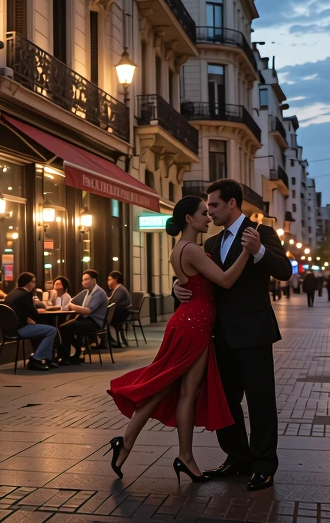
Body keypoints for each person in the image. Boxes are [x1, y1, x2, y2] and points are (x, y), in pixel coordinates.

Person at [106, 196, 260, 483]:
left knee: (166, 389)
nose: (208, 217)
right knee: (182, 392)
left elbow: (194, 282)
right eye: (203, 213)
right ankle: (183, 456)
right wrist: (247, 252)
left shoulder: (182, 248)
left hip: (190, 323)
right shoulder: (191, 249)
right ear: (189, 219)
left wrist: (179, 286)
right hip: (194, 327)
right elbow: (225, 280)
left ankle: (131, 446)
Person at [174, 179, 291, 491]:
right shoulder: (211, 244)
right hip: (220, 335)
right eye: (207, 207)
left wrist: (260, 250)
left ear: (232, 204)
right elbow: (204, 283)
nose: (209, 212)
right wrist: (179, 288)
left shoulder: (261, 232)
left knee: (260, 401)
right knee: (225, 401)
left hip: (254, 332)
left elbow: (284, 270)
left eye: (213, 205)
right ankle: (238, 457)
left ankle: (264, 465)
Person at [4, 272, 57, 370]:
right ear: (28, 283)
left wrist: (27, 319)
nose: (34, 284)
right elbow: (34, 313)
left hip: (9, 330)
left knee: (42, 329)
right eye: (34, 282)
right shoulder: (25, 295)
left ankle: (48, 359)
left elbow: (17, 312)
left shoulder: (10, 294)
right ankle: (37, 359)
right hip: (20, 329)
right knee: (52, 330)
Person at [57, 270, 107, 365]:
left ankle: (67, 356)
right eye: (82, 280)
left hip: (94, 323)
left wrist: (71, 306)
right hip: (87, 320)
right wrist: (68, 305)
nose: (83, 282)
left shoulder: (99, 293)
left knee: (65, 328)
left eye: (86, 279)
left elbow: (88, 311)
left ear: (93, 280)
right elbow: (72, 300)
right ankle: (74, 352)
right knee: (62, 327)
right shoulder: (87, 292)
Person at [107, 271, 132, 348]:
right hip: (120, 314)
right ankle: (107, 340)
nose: (108, 282)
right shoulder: (119, 289)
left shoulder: (120, 290)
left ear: (116, 280)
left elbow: (113, 303)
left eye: (109, 279)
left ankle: (108, 341)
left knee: (100, 319)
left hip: (119, 316)